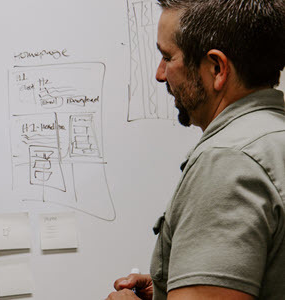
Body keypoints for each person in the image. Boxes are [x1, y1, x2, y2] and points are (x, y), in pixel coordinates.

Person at [107, 0, 285, 299]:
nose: (160, 74)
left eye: (167, 57)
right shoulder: (273, 138)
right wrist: (174, 284)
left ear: (217, 68)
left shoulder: (228, 160)